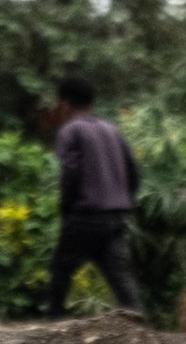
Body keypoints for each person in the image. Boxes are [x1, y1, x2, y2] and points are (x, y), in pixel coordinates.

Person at [43, 75, 142, 313]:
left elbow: (70, 173)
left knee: (61, 271)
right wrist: (123, 200)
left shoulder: (70, 130)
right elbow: (134, 173)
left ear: (64, 104)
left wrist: (67, 207)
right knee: (121, 278)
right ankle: (140, 326)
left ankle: (53, 325)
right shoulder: (111, 130)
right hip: (118, 216)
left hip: (85, 215)